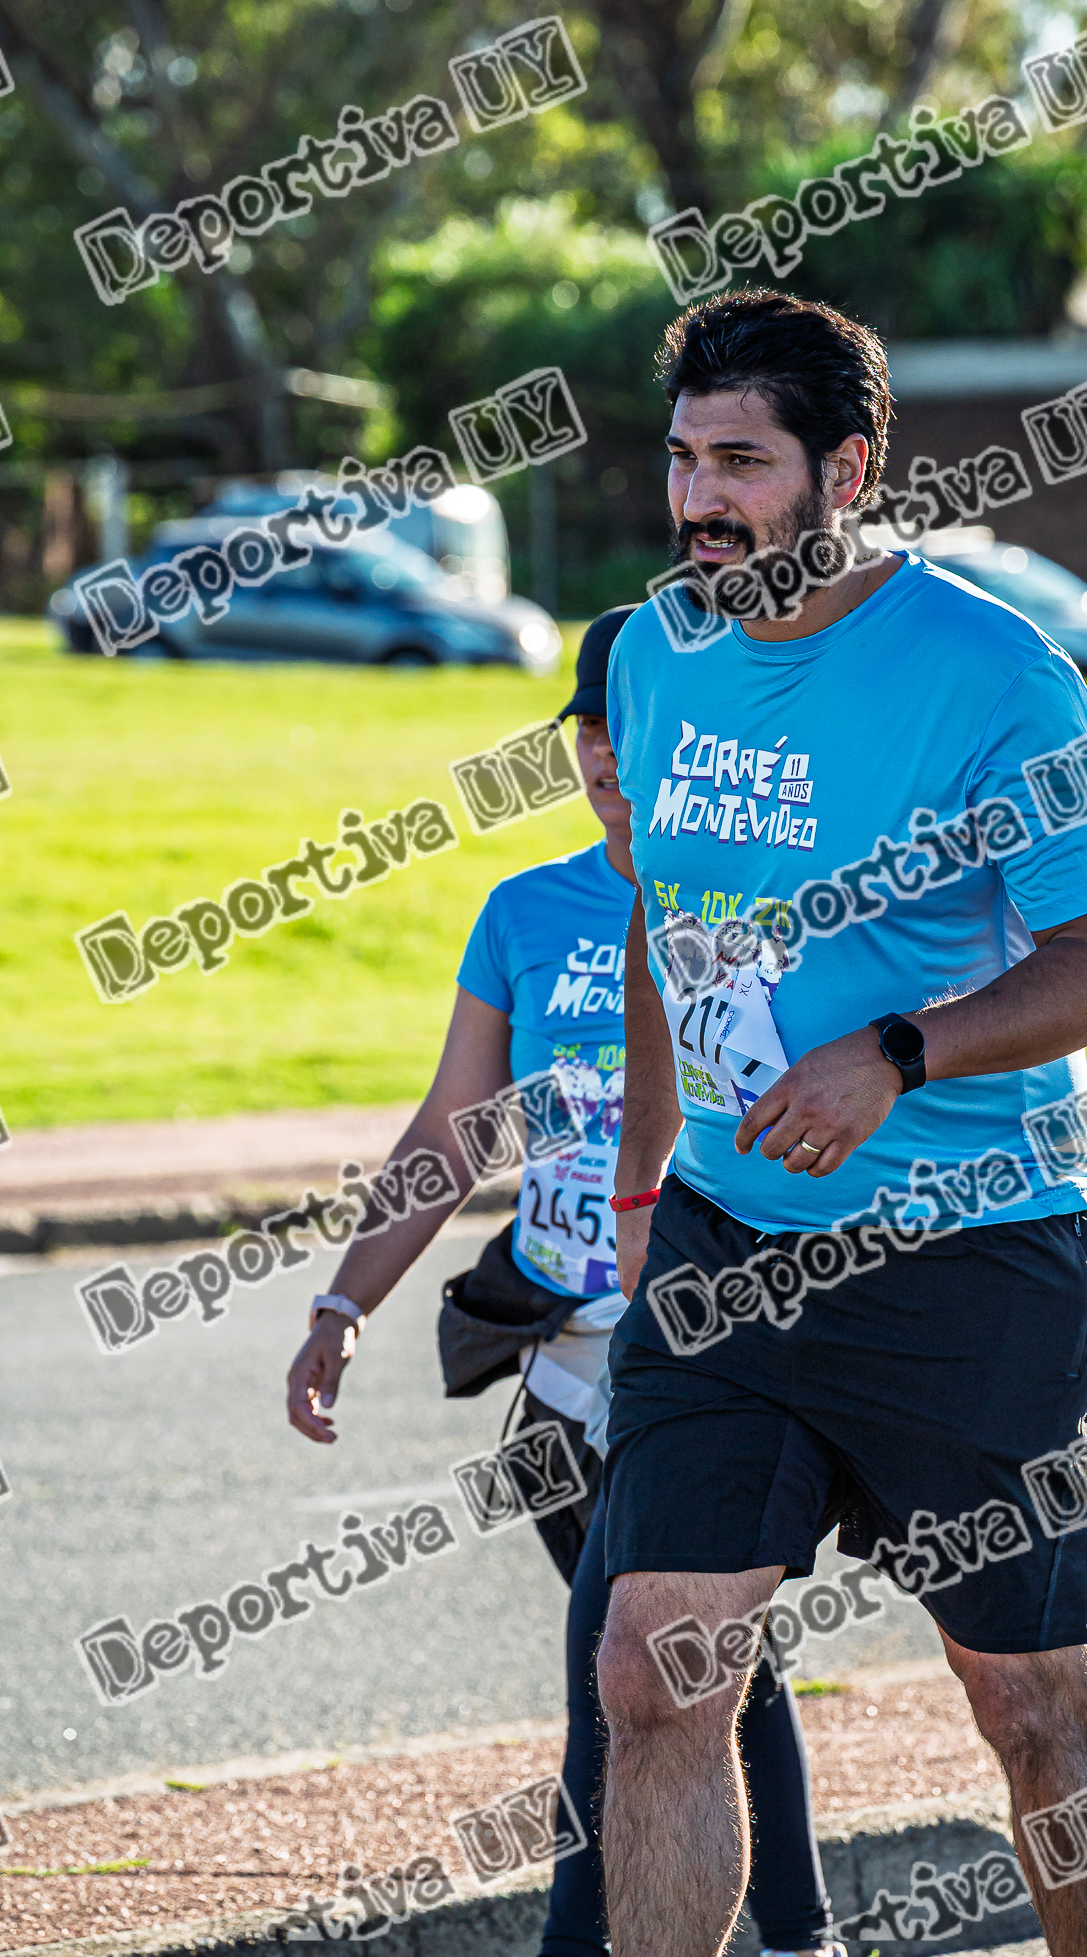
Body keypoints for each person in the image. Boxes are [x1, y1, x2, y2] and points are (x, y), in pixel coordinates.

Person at [597, 288, 1087, 1957]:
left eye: (743, 463)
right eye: (684, 459)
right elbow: (661, 923)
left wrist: (898, 1055)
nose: (700, 500)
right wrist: (641, 1182)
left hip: (966, 1259)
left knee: (1029, 1709)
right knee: (653, 1679)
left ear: (847, 471)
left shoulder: (999, 675)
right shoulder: (651, 654)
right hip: (727, 1246)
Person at [285, 606, 838, 1957]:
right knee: (683, 1673)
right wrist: (342, 1305)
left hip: (701, 1358)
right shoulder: (523, 913)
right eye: (588, 730)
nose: (603, 755)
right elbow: (448, 1133)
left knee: (628, 1676)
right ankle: (801, 1936)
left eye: (628, 730)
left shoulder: (771, 902)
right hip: (557, 1376)